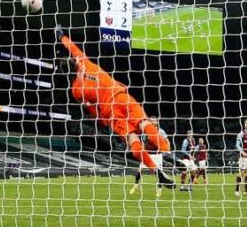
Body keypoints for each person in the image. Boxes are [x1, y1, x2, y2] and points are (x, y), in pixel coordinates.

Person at [56, 27, 173, 187]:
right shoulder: (84, 62)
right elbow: (73, 48)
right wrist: (61, 36)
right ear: (75, 63)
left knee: (132, 139)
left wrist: (103, 121)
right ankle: (168, 153)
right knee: (144, 124)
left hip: (110, 112)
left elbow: (91, 109)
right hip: (120, 96)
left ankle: (156, 172)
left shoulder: (76, 90)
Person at [131, 118, 172, 198]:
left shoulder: (160, 131)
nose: (153, 122)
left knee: (159, 173)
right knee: (140, 170)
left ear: (157, 122)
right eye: (151, 120)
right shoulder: (145, 131)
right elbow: (143, 142)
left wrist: (167, 151)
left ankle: (159, 190)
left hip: (157, 155)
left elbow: (167, 140)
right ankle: (136, 184)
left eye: (154, 120)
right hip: (147, 154)